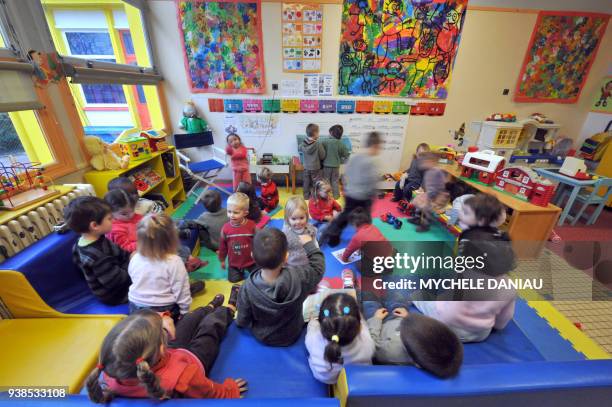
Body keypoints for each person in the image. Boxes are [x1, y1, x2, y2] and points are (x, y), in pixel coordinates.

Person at [85, 299, 248, 402]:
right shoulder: (184, 377)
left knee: (190, 318)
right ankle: (229, 308)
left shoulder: (113, 368)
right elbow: (210, 392)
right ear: (162, 346)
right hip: (194, 359)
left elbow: (142, 325)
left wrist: (163, 318)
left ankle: (210, 306)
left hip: (172, 355)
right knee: (210, 328)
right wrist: (230, 390)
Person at [413, 194, 517, 342]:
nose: (461, 214)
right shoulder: (509, 287)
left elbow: (449, 314)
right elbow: (502, 321)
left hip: (449, 329)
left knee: (419, 296)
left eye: (466, 212)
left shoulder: (465, 281)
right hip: (482, 334)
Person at [236, 228, 325, 346]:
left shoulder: (247, 288)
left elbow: (243, 319)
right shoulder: (300, 277)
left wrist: (239, 323)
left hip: (262, 336)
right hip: (292, 334)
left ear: (252, 256)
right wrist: (309, 245)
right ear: (286, 257)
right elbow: (318, 267)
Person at [128, 214, 205, 321]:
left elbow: (135, 278)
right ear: (173, 239)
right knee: (184, 290)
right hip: (164, 308)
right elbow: (181, 289)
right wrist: (184, 312)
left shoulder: (134, 257)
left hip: (135, 307)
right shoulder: (174, 261)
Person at [105, 189, 205, 272]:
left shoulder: (134, 216)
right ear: (111, 213)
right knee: (166, 252)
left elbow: (145, 222)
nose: (130, 215)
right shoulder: (114, 230)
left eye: (132, 210)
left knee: (173, 241)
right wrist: (145, 241)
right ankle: (183, 266)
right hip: (141, 250)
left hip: (150, 239)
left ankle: (190, 259)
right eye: (124, 214)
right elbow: (125, 248)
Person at [364, 300, 463, 377]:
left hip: (380, 322)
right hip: (401, 315)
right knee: (397, 296)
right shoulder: (426, 347)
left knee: (369, 301)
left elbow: (372, 343)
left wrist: (376, 319)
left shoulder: (391, 353)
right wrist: (408, 316)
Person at [64, 196, 131, 305]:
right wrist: (136, 267)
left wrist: (130, 256)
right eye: (109, 218)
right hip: (119, 294)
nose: (113, 220)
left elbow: (119, 252)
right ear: (95, 226)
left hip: (124, 273)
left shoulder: (82, 242)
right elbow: (117, 282)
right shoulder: (97, 256)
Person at [320, 131, 382, 247]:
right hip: (363, 197)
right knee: (366, 220)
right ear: (376, 146)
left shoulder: (355, 157)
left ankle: (332, 236)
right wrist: (374, 195)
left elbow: (346, 175)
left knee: (345, 215)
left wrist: (347, 188)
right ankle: (365, 240)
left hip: (350, 193)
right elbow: (372, 181)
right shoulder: (371, 161)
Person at [305, 293, 375, 384]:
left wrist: (312, 322)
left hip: (326, 379)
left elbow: (312, 328)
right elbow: (362, 323)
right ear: (359, 325)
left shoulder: (313, 339)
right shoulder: (367, 342)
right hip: (355, 378)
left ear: (322, 324)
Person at [218, 192, 258, 283]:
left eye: (236, 212)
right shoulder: (225, 228)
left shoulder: (252, 226)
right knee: (233, 280)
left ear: (245, 213)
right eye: (229, 211)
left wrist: (258, 255)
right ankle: (239, 271)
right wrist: (222, 260)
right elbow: (222, 246)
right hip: (234, 263)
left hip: (251, 261)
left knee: (258, 277)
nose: (231, 215)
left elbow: (258, 241)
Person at [342, 208, 394, 276]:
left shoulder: (358, 236)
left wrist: (344, 259)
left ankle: (378, 271)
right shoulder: (373, 227)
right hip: (390, 254)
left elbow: (349, 250)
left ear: (354, 224)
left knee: (358, 265)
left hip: (379, 263)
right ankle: (388, 266)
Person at [408, 152, 450, 232]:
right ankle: (417, 218)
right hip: (429, 193)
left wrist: (433, 195)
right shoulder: (428, 171)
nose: (423, 164)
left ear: (432, 162)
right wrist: (423, 190)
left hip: (437, 195)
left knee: (426, 207)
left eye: (425, 162)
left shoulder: (437, 171)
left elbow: (441, 185)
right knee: (417, 201)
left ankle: (425, 224)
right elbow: (427, 183)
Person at [283, 196, 318, 267]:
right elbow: (282, 250)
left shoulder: (310, 229)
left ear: (306, 216)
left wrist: (316, 254)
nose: (298, 222)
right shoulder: (285, 233)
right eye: (294, 219)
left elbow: (314, 243)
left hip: (307, 263)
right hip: (291, 265)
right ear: (288, 218)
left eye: (301, 218)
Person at [322, 125, 350, 199]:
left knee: (326, 181)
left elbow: (319, 150)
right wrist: (340, 157)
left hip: (326, 165)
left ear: (331, 133)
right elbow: (346, 154)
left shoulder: (325, 141)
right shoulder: (341, 143)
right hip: (336, 166)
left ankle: (326, 196)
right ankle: (336, 196)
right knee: (335, 181)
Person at [299, 123, 325, 199]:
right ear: (315, 133)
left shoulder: (304, 142)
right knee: (316, 182)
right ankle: (315, 196)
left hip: (306, 166)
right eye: (318, 132)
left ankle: (306, 196)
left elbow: (299, 148)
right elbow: (322, 155)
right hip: (315, 167)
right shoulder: (318, 144)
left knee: (306, 182)